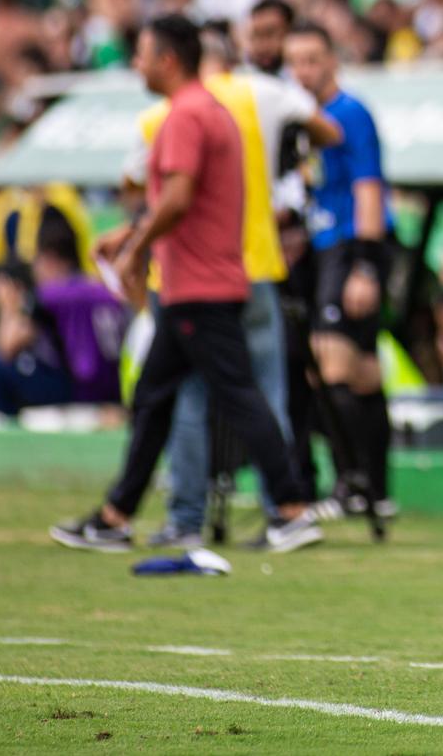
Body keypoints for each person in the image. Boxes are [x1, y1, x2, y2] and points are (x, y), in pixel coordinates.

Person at [51, 16, 319, 553]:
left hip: (197, 284)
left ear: (168, 60)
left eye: (142, 54)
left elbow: (175, 199)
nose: (136, 65)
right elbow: (191, 199)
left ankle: (290, 509)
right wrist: (136, 235)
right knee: (155, 397)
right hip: (202, 280)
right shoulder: (213, 111)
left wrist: (134, 247)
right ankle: (116, 514)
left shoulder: (184, 116)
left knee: (237, 396)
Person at [127, 29, 343, 548]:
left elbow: (139, 185)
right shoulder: (259, 93)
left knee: (191, 399)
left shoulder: (169, 115)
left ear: (176, 60)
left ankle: (185, 516)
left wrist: (135, 241)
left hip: (190, 274)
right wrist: (288, 157)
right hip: (258, 264)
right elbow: (328, 131)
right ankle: (281, 509)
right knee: (264, 392)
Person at [285, 22, 395, 514]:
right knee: (363, 373)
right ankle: (376, 489)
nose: (304, 69)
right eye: (297, 61)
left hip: (352, 248)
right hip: (329, 247)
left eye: (313, 58)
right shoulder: (312, 119)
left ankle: (352, 486)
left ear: (333, 60)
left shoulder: (350, 114)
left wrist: (366, 267)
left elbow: (369, 187)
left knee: (331, 368)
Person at [0, 241, 125, 415]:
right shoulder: (100, 288)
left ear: (50, 258)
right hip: (115, 385)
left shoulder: (50, 295)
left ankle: (10, 426)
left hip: (78, 388)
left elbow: (6, 348)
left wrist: (7, 306)